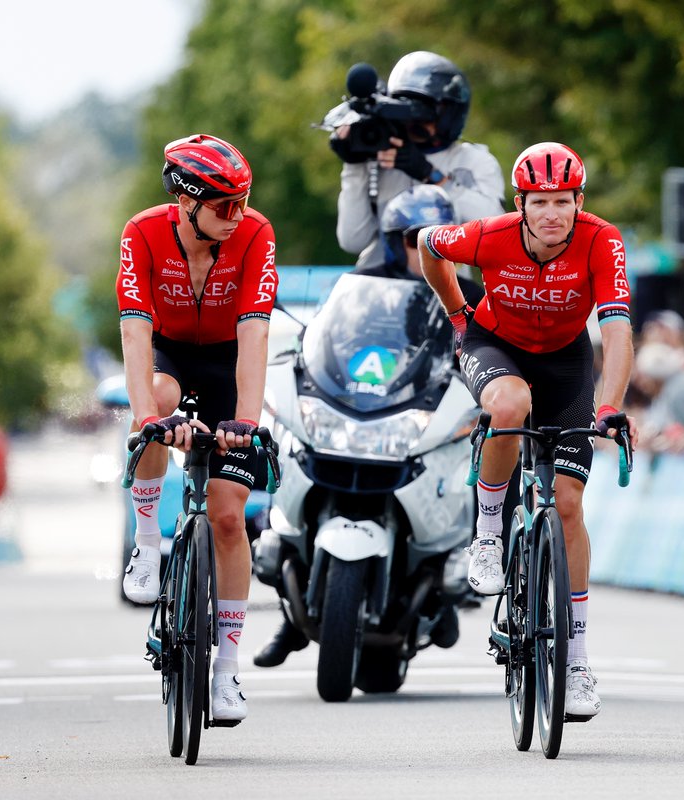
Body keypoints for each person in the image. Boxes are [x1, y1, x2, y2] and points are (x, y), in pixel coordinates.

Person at [418, 142, 637, 720]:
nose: (552, 214)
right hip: (496, 346)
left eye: (562, 201)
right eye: (539, 202)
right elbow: (427, 245)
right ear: (521, 204)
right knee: (510, 403)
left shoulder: (601, 240)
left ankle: (578, 658)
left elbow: (615, 331)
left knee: (568, 506)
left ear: (578, 201)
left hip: (567, 363)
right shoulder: (488, 235)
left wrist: (610, 404)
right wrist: (458, 312)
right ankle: (489, 532)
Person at [252, 184, 484, 669]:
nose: (420, 247)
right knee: (288, 468)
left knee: (490, 461)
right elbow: (326, 344)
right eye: (409, 237)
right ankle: (292, 621)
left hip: (422, 418)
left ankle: (454, 576)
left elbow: (489, 354)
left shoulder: (472, 292)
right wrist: (302, 359)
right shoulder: (356, 289)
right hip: (357, 414)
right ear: (391, 239)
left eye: (432, 237)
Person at [117, 134, 277, 723]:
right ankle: (147, 545)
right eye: (223, 206)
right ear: (185, 202)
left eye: (243, 202)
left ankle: (229, 672)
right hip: (169, 356)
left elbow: (256, 332)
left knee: (230, 514)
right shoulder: (142, 233)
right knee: (156, 398)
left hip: (228, 361)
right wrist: (151, 421)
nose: (237, 217)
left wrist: (246, 422)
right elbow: (136, 333)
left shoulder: (255, 233)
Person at [333, 51, 505, 269]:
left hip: (447, 291)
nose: (415, 121)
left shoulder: (474, 161)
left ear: (449, 114)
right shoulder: (382, 155)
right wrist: (353, 166)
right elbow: (353, 240)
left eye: (425, 112)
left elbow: (494, 233)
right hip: (380, 287)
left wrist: (430, 175)